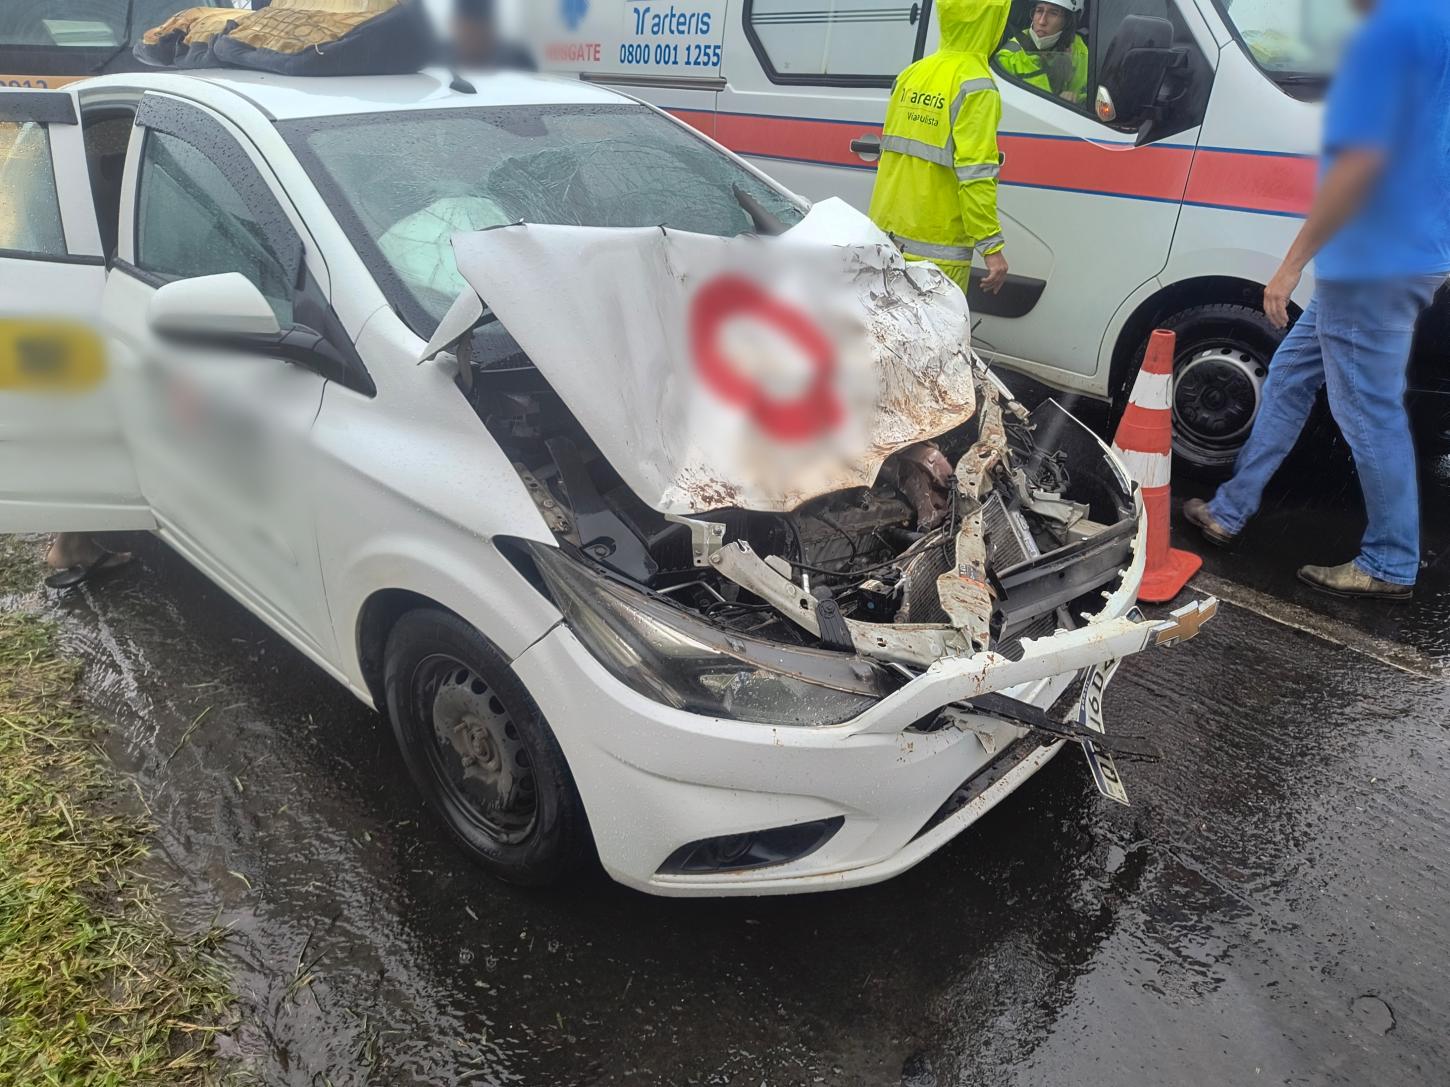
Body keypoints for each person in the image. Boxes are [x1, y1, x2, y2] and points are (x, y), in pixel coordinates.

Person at [1184, 0, 1450, 601]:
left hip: (1371, 261)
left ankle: (1389, 561)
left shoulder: (1386, 33)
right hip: (1409, 251)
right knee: (1290, 372)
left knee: (1368, 414)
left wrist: (1291, 264)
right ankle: (1230, 509)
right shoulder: (1439, 20)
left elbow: (1359, 164)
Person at [869, 0, 1012, 297]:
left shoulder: (912, 74)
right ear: (995, 20)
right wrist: (991, 247)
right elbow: (975, 175)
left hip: (885, 236)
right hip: (937, 251)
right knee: (933, 338)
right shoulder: (977, 86)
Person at [995, 0, 1088, 105]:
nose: (1042, 21)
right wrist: (1057, 100)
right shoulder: (1009, 57)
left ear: (1068, 22)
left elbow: (1086, 94)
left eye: (1053, 13)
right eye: (1039, 11)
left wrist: (1075, 98)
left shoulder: (1078, 49)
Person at [450, 0, 535, 71]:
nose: (474, 40)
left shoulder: (518, 58)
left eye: (479, 30)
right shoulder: (440, 59)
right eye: (468, 35)